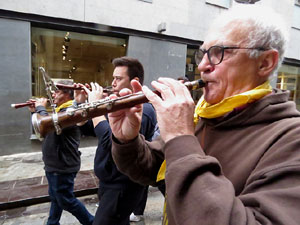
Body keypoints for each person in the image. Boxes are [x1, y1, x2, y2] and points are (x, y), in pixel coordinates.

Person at [108, 5, 300, 225]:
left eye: (219, 52)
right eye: (203, 54)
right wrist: (127, 140)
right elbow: (153, 169)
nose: (201, 66)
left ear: (264, 63)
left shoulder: (291, 139)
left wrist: (181, 138)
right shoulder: (205, 114)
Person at [75, 57, 157, 225]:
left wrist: (95, 107)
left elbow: (111, 141)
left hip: (123, 184)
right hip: (109, 181)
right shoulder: (119, 103)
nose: (112, 83)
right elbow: (90, 129)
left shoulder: (144, 109)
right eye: (113, 78)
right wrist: (80, 105)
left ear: (134, 81)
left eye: (118, 78)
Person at [29, 80, 94, 225]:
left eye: (57, 91)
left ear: (67, 95)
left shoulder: (70, 112)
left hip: (63, 164)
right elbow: (42, 130)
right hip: (55, 163)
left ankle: (92, 222)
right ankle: (52, 223)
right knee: (56, 196)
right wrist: (35, 112)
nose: (53, 93)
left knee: (65, 200)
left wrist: (40, 108)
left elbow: (49, 124)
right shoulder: (60, 110)